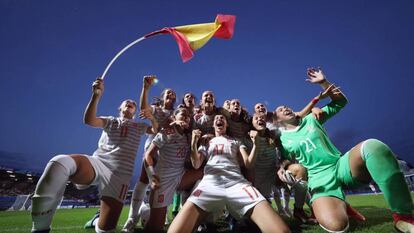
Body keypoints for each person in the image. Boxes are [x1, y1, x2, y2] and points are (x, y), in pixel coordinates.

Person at [275, 67, 414, 232]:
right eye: (280, 110)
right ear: (278, 120)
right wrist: (283, 168)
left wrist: (323, 83)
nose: (285, 108)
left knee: (373, 146)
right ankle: (339, 206)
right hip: (319, 178)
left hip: (341, 165)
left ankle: (403, 216)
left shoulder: (312, 119)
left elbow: (340, 102)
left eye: (286, 106)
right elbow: (286, 159)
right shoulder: (283, 139)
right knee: (337, 227)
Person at [31, 78, 158, 233]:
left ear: (134, 111)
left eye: (133, 104)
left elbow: (155, 130)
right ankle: (40, 228)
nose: (130, 103)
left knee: (105, 230)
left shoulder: (139, 126)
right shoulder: (111, 121)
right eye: (126, 102)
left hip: (120, 175)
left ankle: (97, 219)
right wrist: (96, 96)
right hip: (98, 163)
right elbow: (89, 120)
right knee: (58, 163)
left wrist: (152, 118)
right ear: (120, 108)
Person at [167, 115, 291, 233]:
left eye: (222, 118)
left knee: (282, 231)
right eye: (216, 118)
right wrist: (194, 143)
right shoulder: (207, 141)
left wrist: (256, 145)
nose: (219, 119)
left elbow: (248, 163)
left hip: (238, 184)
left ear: (226, 124)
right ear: (213, 125)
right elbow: (196, 164)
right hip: (209, 184)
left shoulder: (236, 141)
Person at [121, 75, 177, 232]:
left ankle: (161, 214)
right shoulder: (156, 108)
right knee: (143, 181)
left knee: (163, 184)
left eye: (173, 94)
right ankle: (132, 217)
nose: (171, 96)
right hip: (153, 148)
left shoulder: (177, 112)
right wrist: (145, 89)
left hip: (168, 152)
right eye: (168, 93)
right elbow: (144, 108)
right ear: (162, 97)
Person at [143, 108, 203, 233]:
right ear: (174, 118)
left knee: (205, 172)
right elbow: (148, 155)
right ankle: (145, 213)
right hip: (164, 180)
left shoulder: (188, 136)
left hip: (181, 176)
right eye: (182, 115)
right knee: (155, 228)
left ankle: (188, 207)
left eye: (188, 116)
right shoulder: (166, 132)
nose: (186, 117)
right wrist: (151, 176)